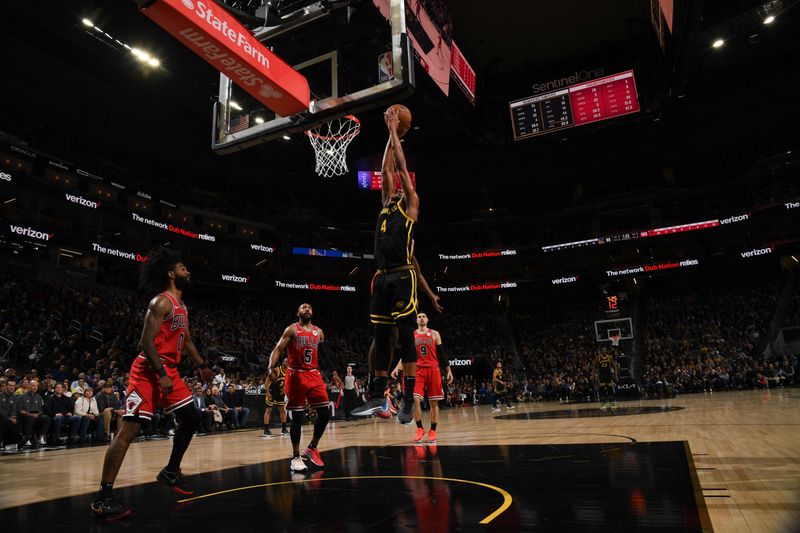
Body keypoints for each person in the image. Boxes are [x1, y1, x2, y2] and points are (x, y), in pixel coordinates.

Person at [91, 248, 214, 519]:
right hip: (148, 371)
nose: (188, 272)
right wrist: (160, 372)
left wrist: (202, 366)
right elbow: (145, 342)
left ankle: (171, 471)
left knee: (192, 418)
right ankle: (103, 496)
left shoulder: (182, 306)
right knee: (128, 431)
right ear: (171, 274)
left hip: (169, 371)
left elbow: (189, 340)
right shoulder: (161, 302)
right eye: (183, 268)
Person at [353, 108, 421, 424]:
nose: (394, 183)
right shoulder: (385, 204)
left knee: (406, 338)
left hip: (402, 276)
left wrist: (396, 132)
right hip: (381, 278)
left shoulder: (410, 206)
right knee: (382, 338)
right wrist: (388, 135)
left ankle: (408, 399)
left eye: (399, 184)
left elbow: (401, 167)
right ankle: (380, 396)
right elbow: (387, 167)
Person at [267, 303, 331, 472]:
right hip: (296, 375)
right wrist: (270, 367)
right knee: (298, 417)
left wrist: (334, 372)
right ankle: (295, 457)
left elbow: (323, 354)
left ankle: (312, 447)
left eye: (309, 307)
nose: (307, 309)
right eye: (303, 308)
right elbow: (278, 349)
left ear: (313, 312)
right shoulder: (292, 330)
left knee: (324, 413)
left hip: (314, 374)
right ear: (298, 313)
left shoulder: (319, 332)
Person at [392, 313, 452, 443]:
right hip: (417, 370)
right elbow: (406, 354)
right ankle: (420, 429)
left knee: (433, 403)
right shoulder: (412, 335)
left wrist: (448, 369)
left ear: (427, 319)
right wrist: (397, 367)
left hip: (433, 369)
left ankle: (433, 431)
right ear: (416, 320)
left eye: (424, 316)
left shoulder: (435, 334)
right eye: (419, 316)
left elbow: (442, 353)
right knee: (415, 399)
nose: (422, 318)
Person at [18, 379, 50, 448]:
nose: (35, 387)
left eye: (36, 386)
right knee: (30, 418)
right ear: (29, 386)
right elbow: (20, 410)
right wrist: (29, 414)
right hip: (25, 415)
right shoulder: (22, 396)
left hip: (36, 415)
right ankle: (27, 438)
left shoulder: (39, 397)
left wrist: (37, 414)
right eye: (33, 385)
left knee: (46, 418)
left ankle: (41, 437)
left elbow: (41, 410)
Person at [263, 358, 288, 437]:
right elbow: (267, 379)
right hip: (272, 392)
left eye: (288, 361)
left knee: (282, 410)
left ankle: (284, 429)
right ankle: (266, 430)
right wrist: (267, 392)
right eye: (286, 361)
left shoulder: (289, 371)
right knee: (268, 410)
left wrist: (286, 388)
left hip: (280, 393)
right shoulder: (277, 370)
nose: (287, 362)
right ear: (283, 362)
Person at [0, 379, 20, 449]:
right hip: (2, 416)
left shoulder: (15, 397)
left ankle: (12, 443)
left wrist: (13, 417)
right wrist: (9, 418)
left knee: (16, 421)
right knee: (3, 421)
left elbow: (14, 409)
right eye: (10, 385)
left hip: (9, 417)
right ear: (6, 386)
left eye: (13, 386)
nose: (12, 387)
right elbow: (0, 410)